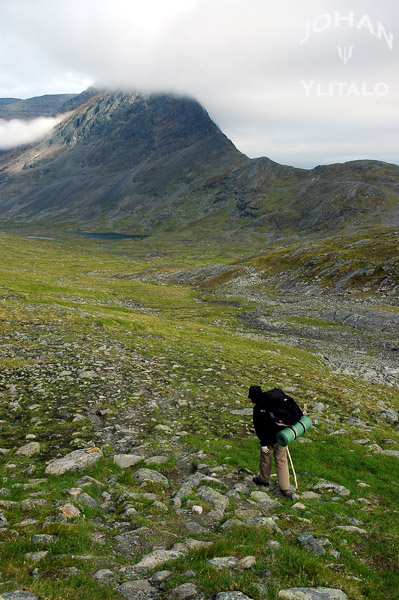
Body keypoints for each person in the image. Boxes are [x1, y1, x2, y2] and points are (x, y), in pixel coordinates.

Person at [248, 385, 292, 497]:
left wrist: (263, 443)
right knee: (281, 460)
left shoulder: (257, 409)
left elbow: (259, 428)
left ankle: (263, 480)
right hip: (282, 435)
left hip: (268, 441)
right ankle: (285, 487)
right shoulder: (272, 401)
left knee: (265, 459)